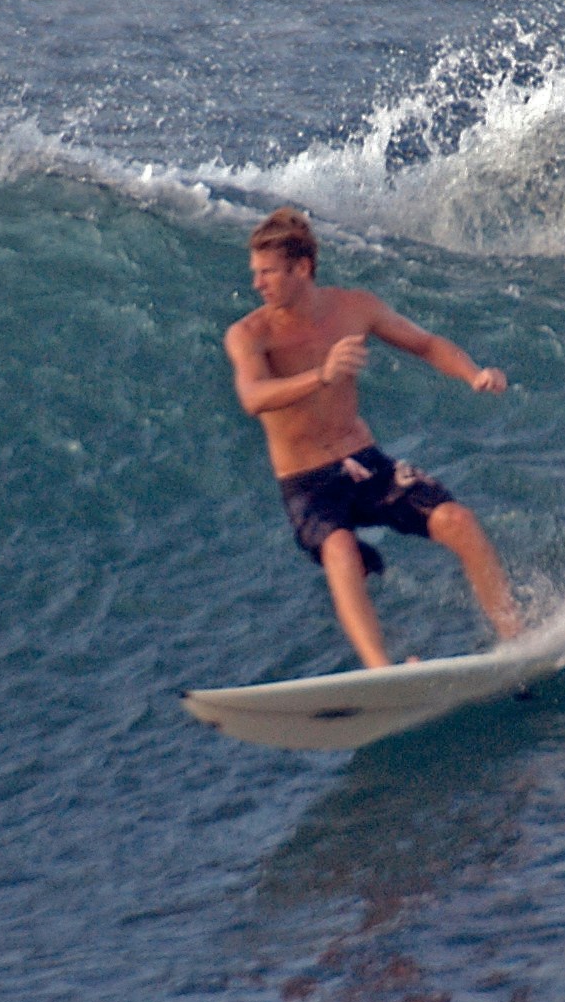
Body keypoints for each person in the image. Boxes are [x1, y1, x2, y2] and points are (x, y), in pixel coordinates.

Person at [224, 205, 525, 669]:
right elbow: (253, 396)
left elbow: (424, 343)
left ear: (302, 269)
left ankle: (516, 637)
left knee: (457, 520)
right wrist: (320, 376)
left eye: (267, 273)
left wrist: (473, 373)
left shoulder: (353, 308)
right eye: (255, 273)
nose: (257, 284)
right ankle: (382, 672)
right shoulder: (249, 335)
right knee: (341, 549)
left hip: (364, 460)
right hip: (306, 482)